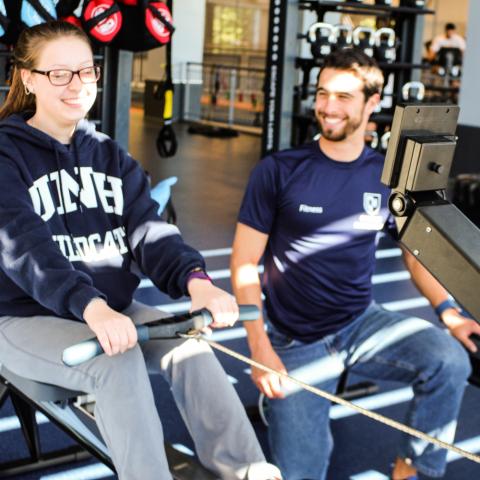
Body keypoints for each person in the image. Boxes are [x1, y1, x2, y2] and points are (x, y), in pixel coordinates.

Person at [0, 21, 281, 480]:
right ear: (29, 79)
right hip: (22, 318)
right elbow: (25, 249)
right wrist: (90, 306)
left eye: (86, 71)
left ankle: (244, 469)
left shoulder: (110, 156)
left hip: (112, 309)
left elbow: (150, 231)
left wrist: (198, 283)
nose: (76, 85)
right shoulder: (6, 155)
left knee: (188, 344)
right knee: (118, 362)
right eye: (59, 74)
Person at [230, 49, 480, 480]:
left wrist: (450, 313)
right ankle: (285, 408)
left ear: (373, 102)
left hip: (360, 322)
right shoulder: (278, 170)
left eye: (344, 96)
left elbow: (415, 253)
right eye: (323, 93)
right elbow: (243, 262)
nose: (328, 106)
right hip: (296, 340)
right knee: (301, 471)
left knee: (449, 360)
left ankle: (410, 468)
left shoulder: (386, 177)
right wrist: (259, 348)